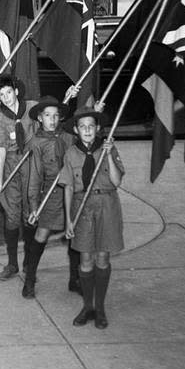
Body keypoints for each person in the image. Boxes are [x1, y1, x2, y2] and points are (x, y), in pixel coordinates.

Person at [62, 108, 124, 329]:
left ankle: (100, 307)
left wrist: (108, 155)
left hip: (106, 205)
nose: (87, 130)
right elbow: (68, 187)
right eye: (82, 127)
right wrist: (69, 220)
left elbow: (116, 182)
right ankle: (87, 306)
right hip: (82, 208)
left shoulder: (109, 149)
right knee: (85, 259)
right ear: (76, 131)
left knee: (102, 258)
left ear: (98, 129)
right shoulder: (71, 153)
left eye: (91, 126)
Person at [23, 96, 76, 299]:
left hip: (72, 190)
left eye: (56, 116)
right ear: (39, 118)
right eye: (47, 115)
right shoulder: (36, 143)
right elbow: (35, 176)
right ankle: (29, 280)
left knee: (75, 236)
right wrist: (34, 206)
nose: (52, 120)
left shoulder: (69, 137)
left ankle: (75, 279)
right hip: (52, 194)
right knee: (41, 235)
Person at [0, 75, 29, 282]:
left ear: (16, 91)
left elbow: (52, 120)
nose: (6, 98)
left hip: (32, 168)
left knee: (32, 215)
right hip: (12, 169)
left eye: (8, 92)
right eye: (1, 95)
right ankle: (12, 263)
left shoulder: (32, 109)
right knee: (12, 216)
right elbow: (1, 150)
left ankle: (30, 266)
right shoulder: (0, 119)